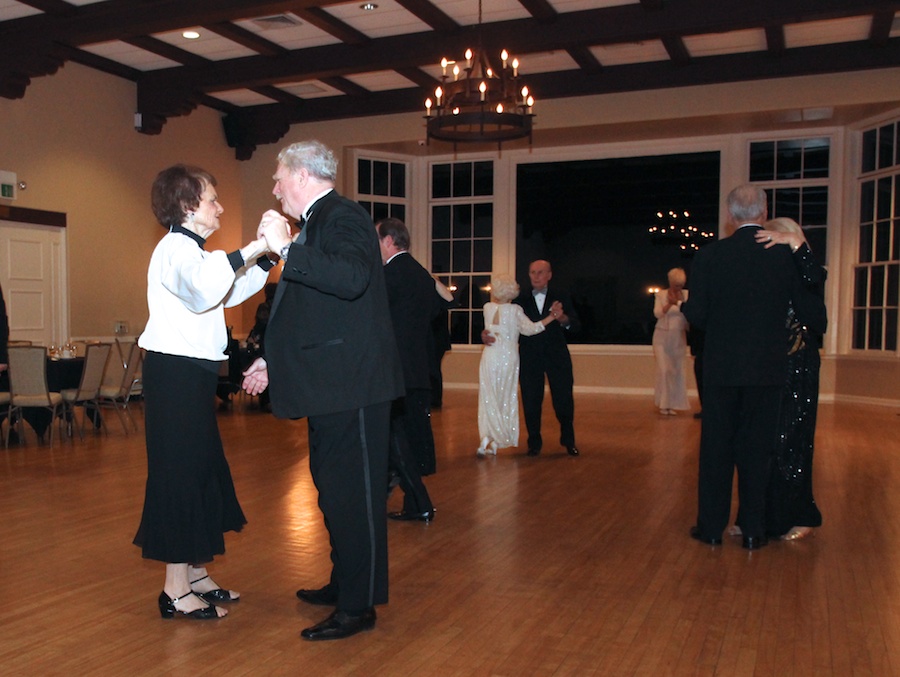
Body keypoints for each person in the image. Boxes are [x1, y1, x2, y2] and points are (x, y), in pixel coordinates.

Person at [242, 140, 404, 641]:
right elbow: (315, 310)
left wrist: (288, 248)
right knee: (336, 493)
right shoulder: (320, 222)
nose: (273, 187)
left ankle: (358, 607)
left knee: (354, 496)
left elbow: (353, 278)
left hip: (351, 385)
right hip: (332, 385)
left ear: (303, 175)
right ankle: (344, 582)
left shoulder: (343, 215)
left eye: (277, 177)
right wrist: (273, 358)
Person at [134, 164, 273, 620]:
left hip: (190, 376)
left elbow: (226, 290)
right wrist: (254, 246)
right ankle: (174, 590)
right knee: (181, 475)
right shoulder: (175, 249)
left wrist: (269, 259)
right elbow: (200, 290)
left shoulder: (195, 252)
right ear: (190, 205)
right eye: (213, 199)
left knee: (203, 469)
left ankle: (195, 574)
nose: (220, 206)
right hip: (173, 375)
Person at [681, 184, 824, 550]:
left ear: (730, 216)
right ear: (763, 212)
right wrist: (796, 246)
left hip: (721, 369)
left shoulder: (711, 255)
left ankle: (711, 527)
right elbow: (811, 299)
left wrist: (690, 309)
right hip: (767, 369)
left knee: (716, 449)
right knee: (757, 452)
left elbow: (697, 316)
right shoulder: (781, 257)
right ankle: (753, 531)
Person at [755, 217, 827, 540]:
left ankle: (801, 515)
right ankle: (765, 516)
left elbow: (814, 280)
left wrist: (795, 242)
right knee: (767, 442)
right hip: (771, 364)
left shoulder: (807, 272)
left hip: (800, 366)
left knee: (793, 440)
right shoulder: (774, 273)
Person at [376, 217, 452, 522]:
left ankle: (418, 502)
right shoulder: (421, 274)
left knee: (396, 438)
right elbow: (445, 304)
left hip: (395, 372)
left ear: (389, 241)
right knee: (402, 436)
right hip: (418, 370)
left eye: (376, 239)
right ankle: (404, 500)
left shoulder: (389, 274)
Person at [477, 274, 561, 456]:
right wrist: (551, 317)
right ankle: (496, 439)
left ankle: (487, 438)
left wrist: (485, 334)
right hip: (508, 356)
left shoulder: (487, 308)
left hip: (490, 356)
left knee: (488, 396)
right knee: (504, 396)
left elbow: (488, 331)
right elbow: (531, 329)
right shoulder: (515, 310)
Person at [507, 259, 581, 456]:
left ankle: (569, 441)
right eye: (532, 272)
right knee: (531, 400)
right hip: (530, 357)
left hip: (557, 356)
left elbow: (575, 325)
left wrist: (563, 318)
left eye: (540, 272)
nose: (536, 276)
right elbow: (508, 328)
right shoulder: (519, 300)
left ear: (549, 275)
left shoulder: (561, 296)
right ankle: (534, 443)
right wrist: (489, 335)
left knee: (563, 399)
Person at [652, 267, 690, 415]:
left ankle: (673, 404)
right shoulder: (661, 294)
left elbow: (689, 315)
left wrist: (680, 303)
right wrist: (670, 303)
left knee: (676, 371)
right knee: (664, 370)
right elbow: (657, 313)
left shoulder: (686, 295)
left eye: (680, 285)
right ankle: (663, 404)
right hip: (661, 336)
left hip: (678, 338)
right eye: (676, 285)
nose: (678, 288)